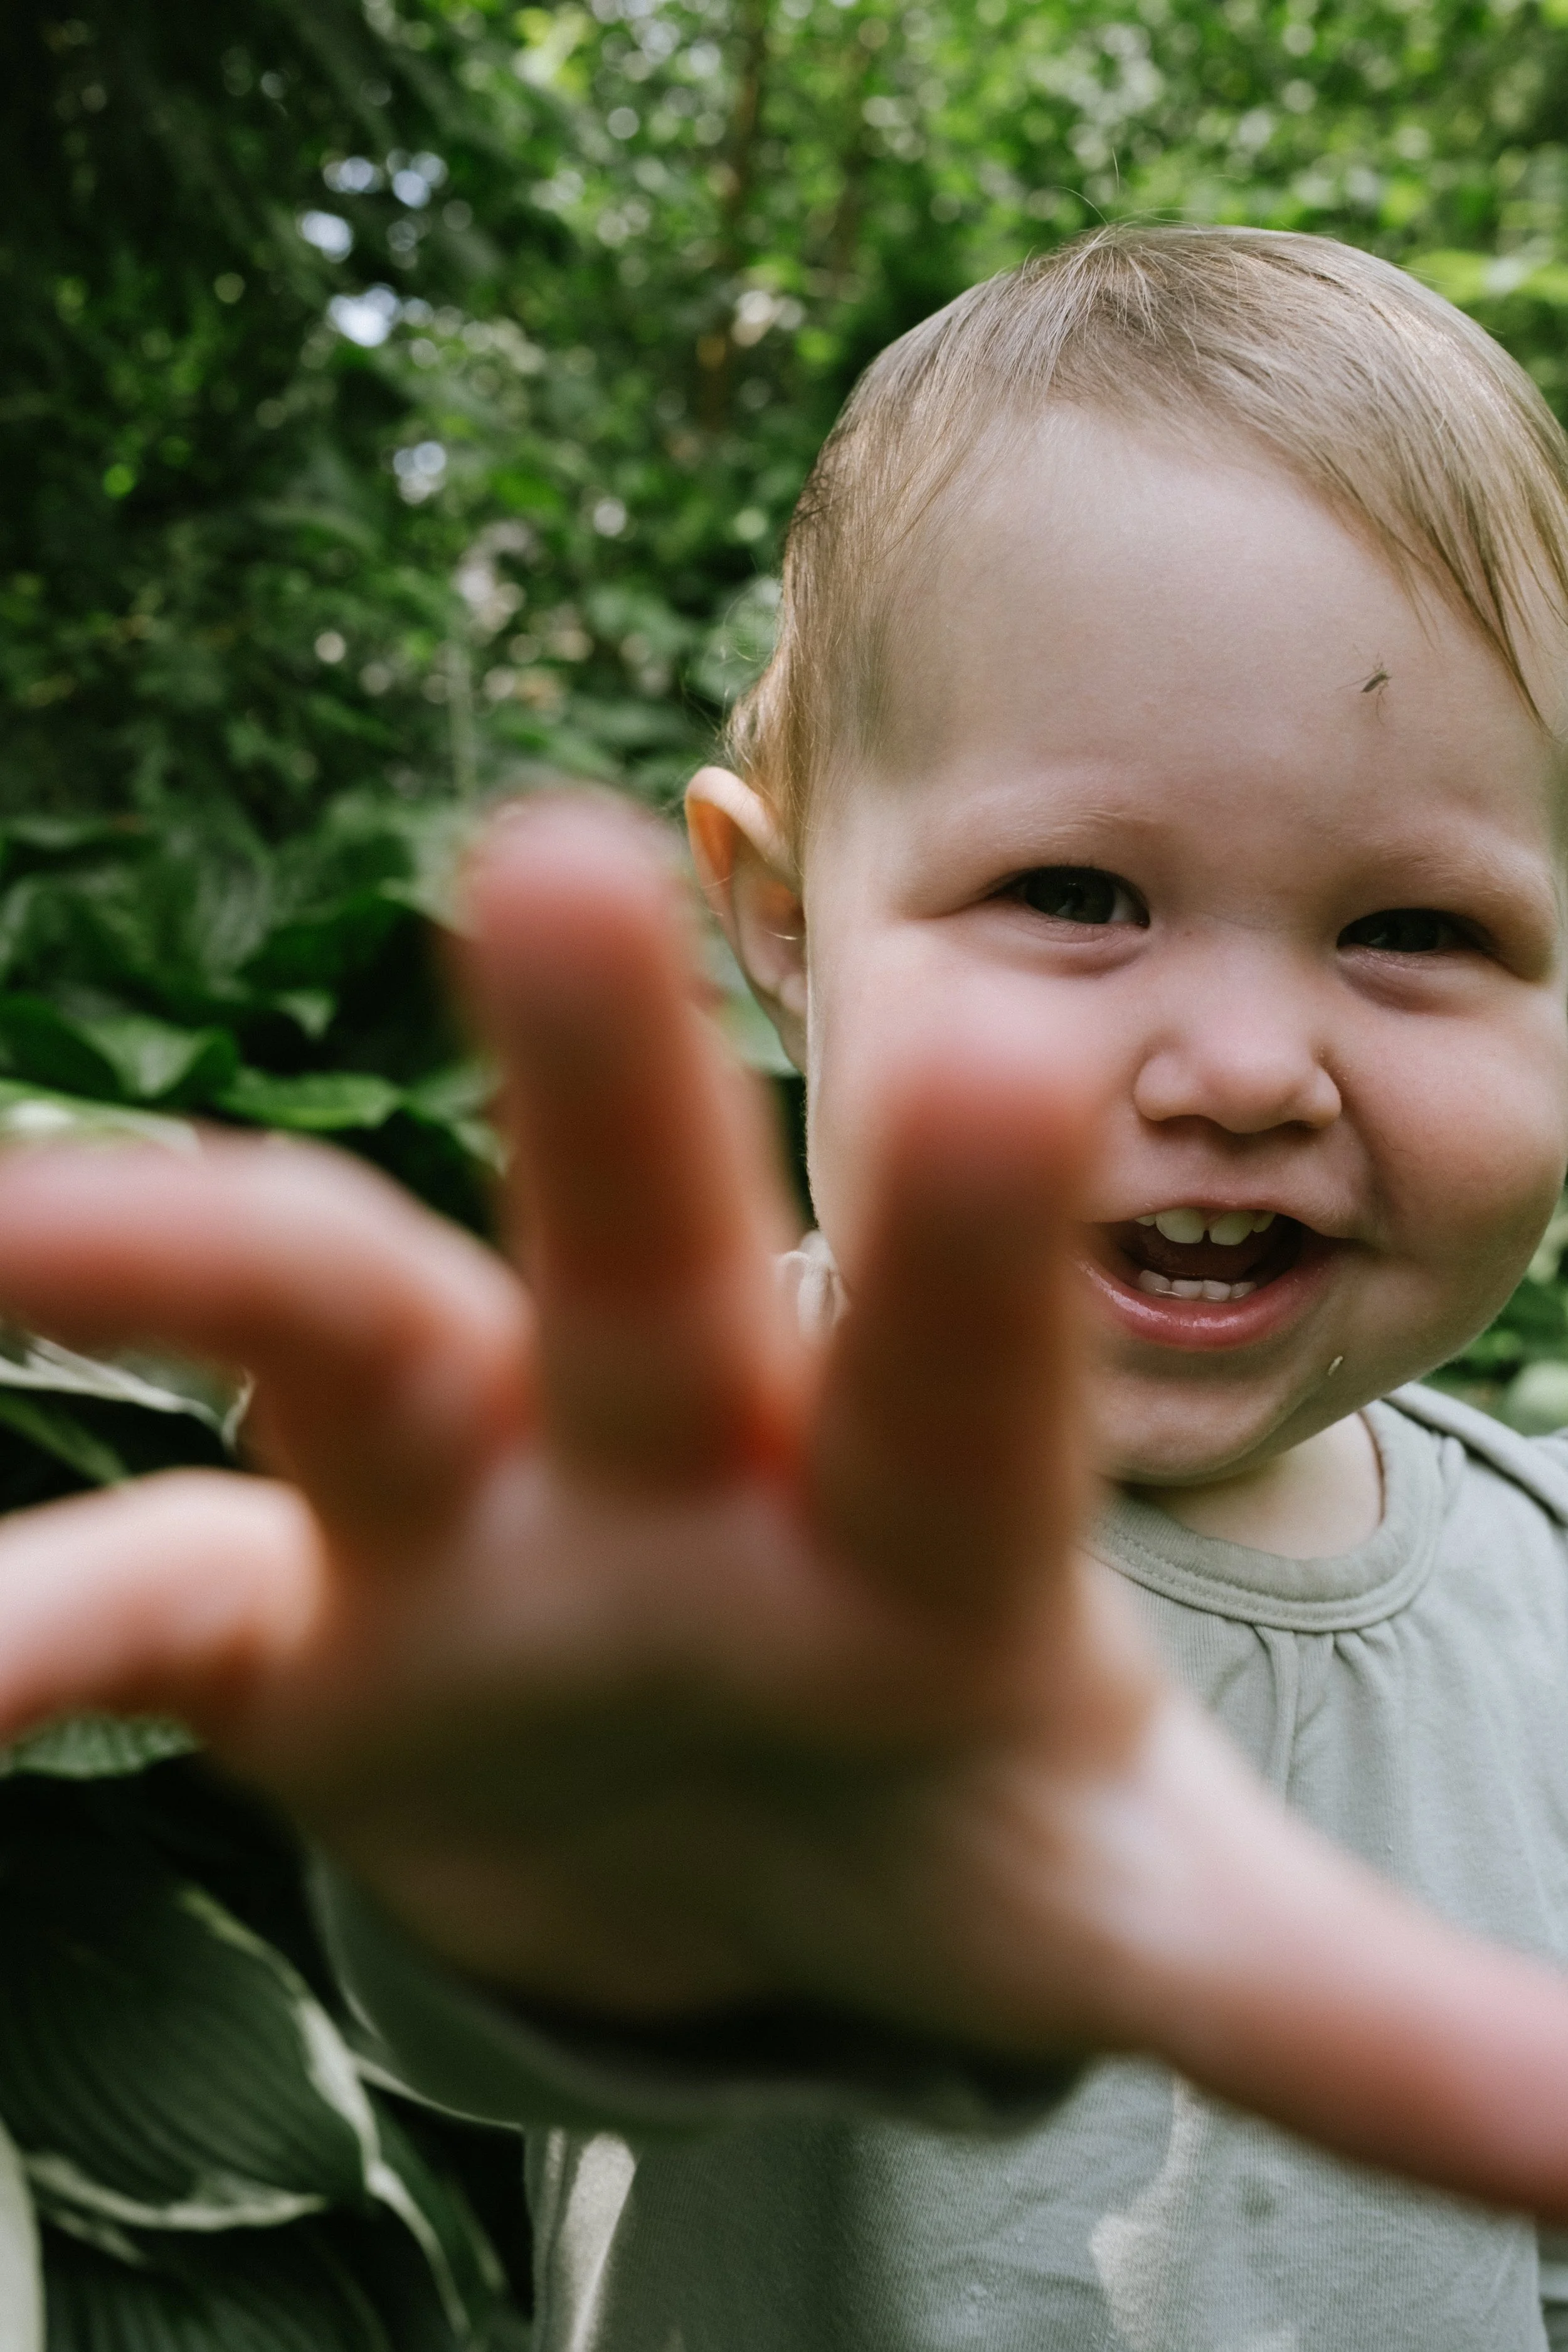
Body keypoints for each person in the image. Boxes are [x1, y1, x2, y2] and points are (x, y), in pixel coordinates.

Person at [4, 223, 1568, 2347]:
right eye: (1075, 893)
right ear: (788, 924)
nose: (1238, 1066)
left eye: (1412, 927)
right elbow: (525, 2011)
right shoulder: (706, 1522)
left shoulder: (1542, 1597)